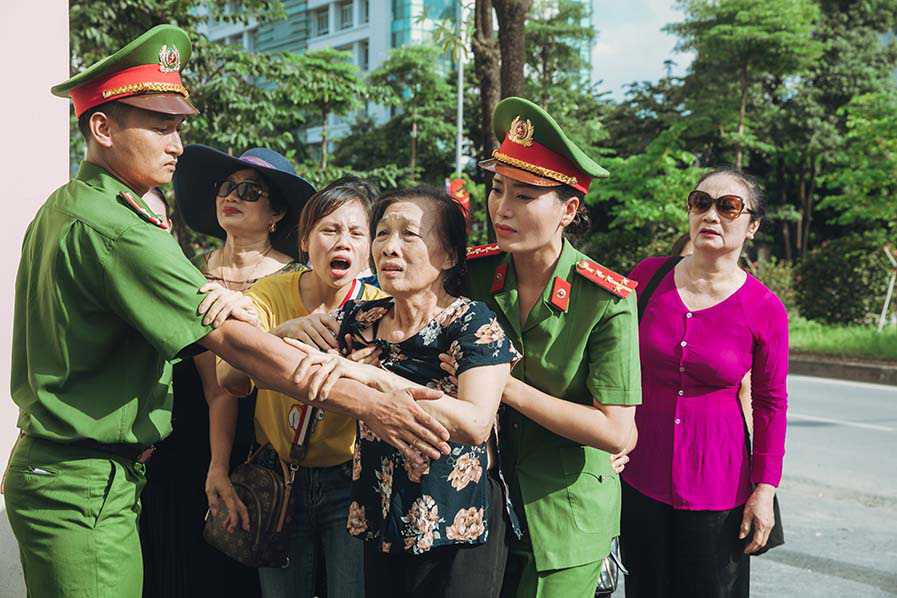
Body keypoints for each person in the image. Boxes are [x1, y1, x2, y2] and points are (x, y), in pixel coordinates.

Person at [5, 25, 450, 598]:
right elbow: (236, 348)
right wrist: (369, 400)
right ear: (102, 128)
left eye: (179, 128)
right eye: (161, 127)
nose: (177, 145)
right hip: (85, 480)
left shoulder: (69, 206)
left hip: (84, 474)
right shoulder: (118, 228)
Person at [263, 187, 521, 597]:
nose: (389, 247)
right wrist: (285, 331)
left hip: (455, 523)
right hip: (379, 515)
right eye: (382, 234)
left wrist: (376, 378)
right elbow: (272, 371)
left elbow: (474, 423)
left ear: (449, 256)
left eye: (409, 235)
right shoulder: (362, 318)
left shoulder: (471, 322)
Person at [460, 97, 641, 597]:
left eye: (524, 195)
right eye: (497, 189)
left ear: (568, 209)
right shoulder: (472, 274)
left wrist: (503, 386)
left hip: (564, 521)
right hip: (474, 509)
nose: (502, 207)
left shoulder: (605, 299)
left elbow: (614, 430)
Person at [140, 144, 314, 597]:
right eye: (226, 187)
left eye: (250, 190)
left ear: (277, 212)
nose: (231, 196)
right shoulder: (187, 274)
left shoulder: (298, 282)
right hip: (181, 459)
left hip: (265, 462)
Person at [212, 177, 383, 598]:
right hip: (277, 478)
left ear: (368, 248)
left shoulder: (382, 305)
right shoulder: (269, 292)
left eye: (356, 232)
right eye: (330, 229)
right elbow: (227, 379)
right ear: (305, 241)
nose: (343, 241)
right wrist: (280, 335)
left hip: (351, 481)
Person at [621, 168, 788, 598]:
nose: (711, 215)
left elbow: (771, 403)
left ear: (752, 227)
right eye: (701, 202)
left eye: (728, 206)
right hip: (638, 474)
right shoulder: (647, 277)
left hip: (720, 484)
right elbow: (610, 362)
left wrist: (765, 489)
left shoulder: (766, 308)